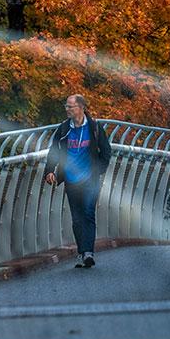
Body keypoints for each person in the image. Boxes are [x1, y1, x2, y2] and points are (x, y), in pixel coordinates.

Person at [43, 93, 113, 268]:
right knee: (77, 218)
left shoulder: (94, 127)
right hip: (71, 179)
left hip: (90, 178)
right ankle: (83, 252)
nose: (67, 109)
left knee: (88, 213)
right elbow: (54, 151)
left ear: (81, 107)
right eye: (66, 106)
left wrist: (98, 171)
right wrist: (50, 171)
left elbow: (106, 151)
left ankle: (88, 253)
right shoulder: (64, 128)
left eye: (70, 106)